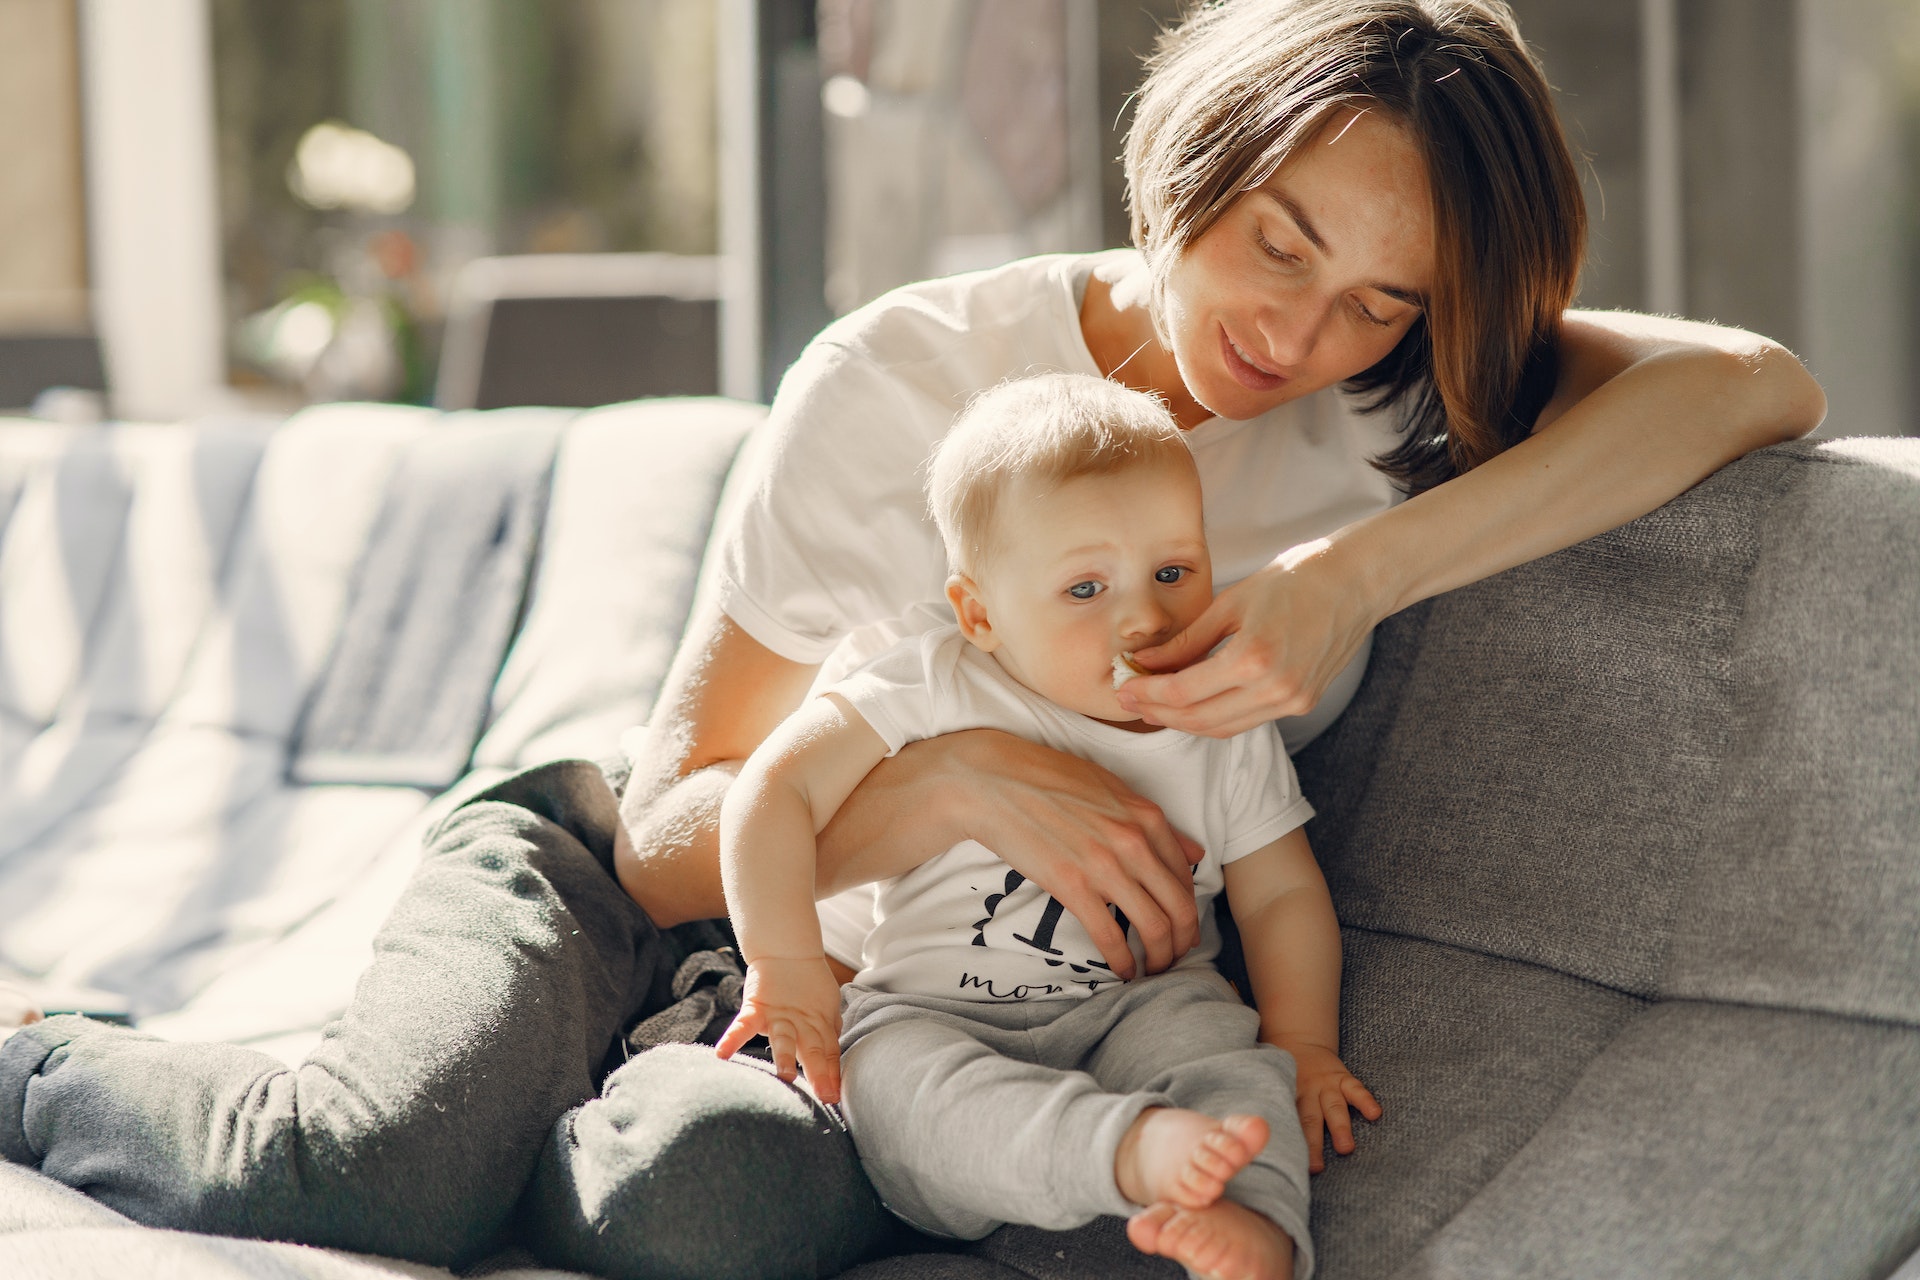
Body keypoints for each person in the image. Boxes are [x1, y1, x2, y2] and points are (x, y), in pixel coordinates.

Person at [1, 2, 1825, 1278]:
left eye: (1378, 300)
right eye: (1277, 243)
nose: (1304, 327)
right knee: (358, 1167)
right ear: (1192, 159)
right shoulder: (901, 378)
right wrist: (961, 782)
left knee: (718, 1216)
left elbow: (1755, 383)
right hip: (650, 875)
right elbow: (663, 839)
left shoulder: (1381, 403)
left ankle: (605, 1144)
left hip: (929, 1007)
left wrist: (1356, 576)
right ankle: (40, 1057)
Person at [717, 372, 1373, 1280]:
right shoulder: (936, 682)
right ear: (980, 614)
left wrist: (1305, 1044)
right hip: (930, 1016)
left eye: (1172, 572)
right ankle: (1124, 1154)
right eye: (1085, 588)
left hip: (1144, 1006)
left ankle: (1253, 1222)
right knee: (903, 1097)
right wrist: (786, 968)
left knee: (1237, 1070)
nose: (1143, 615)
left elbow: (1284, 894)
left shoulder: (1221, 716)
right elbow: (771, 791)